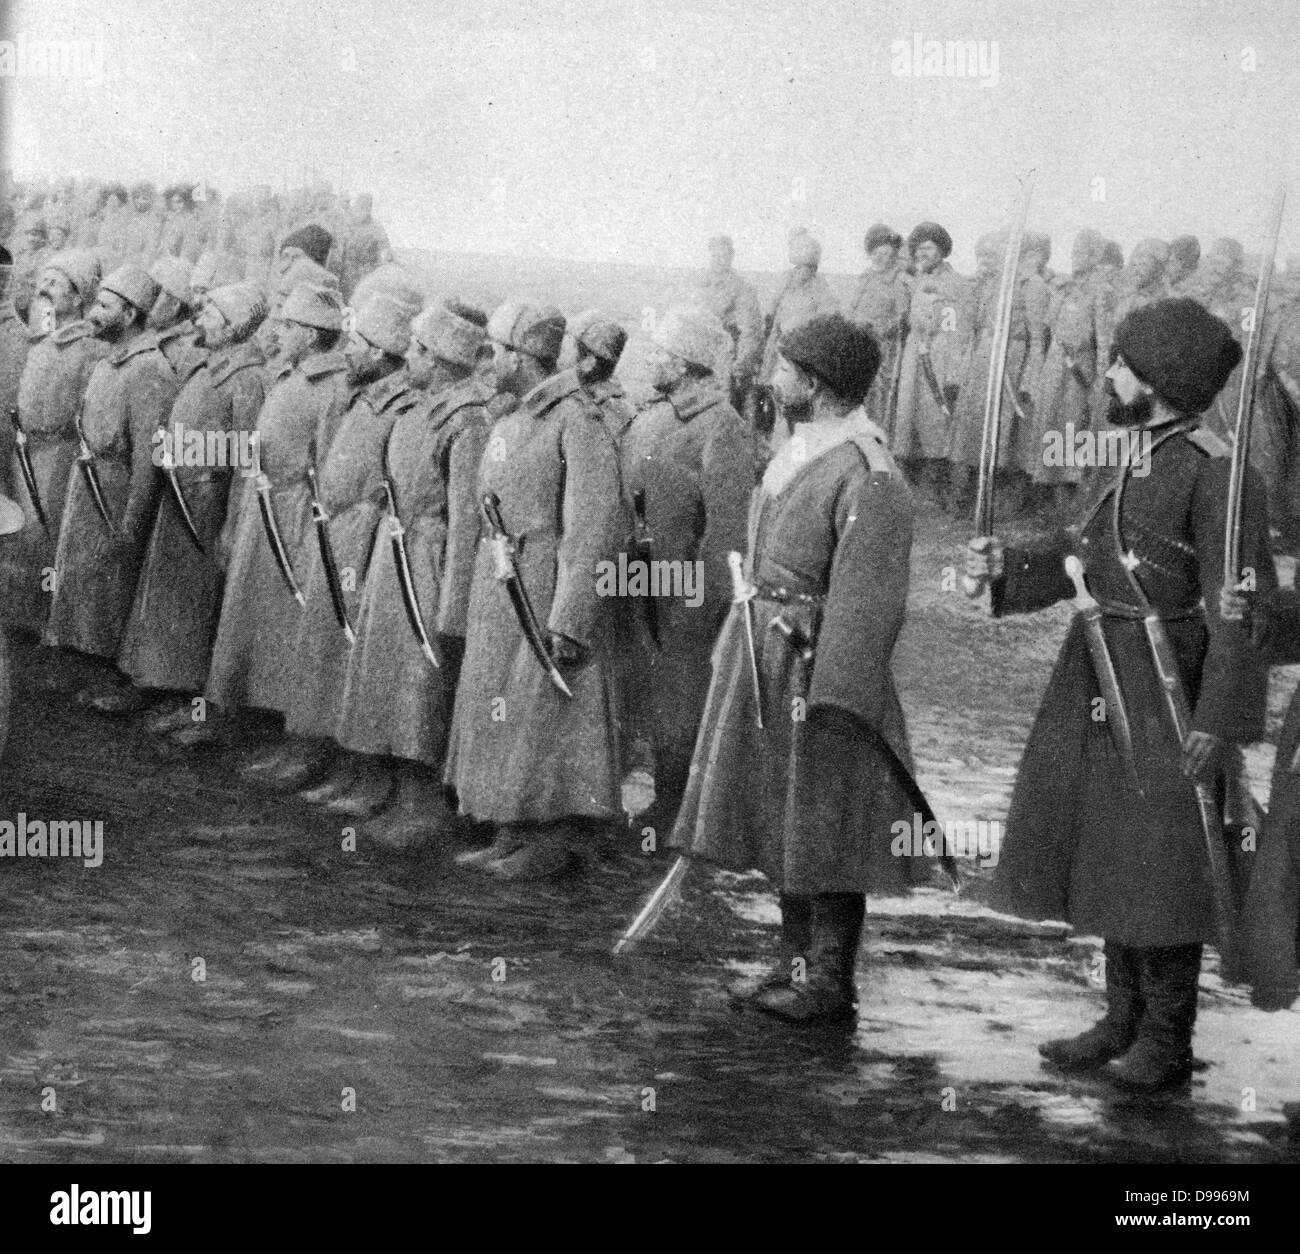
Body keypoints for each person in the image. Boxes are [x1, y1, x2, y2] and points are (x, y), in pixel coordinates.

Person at [964, 297, 1275, 1092]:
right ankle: (1121, 1017)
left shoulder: (1217, 473)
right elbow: (1081, 551)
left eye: (1122, 364)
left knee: (1166, 860)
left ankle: (1168, 1037)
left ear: (1158, 380)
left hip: (1169, 687)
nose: (1108, 374)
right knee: (1112, 848)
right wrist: (1008, 565)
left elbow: (1243, 607)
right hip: (1100, 671)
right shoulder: (1132, 452)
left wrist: (1222, 719)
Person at [671, 312, 933, 1023]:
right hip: (767, 654)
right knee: (784, 818)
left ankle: (828, 981)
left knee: (828, 825)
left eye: (784, 370)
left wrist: (838, 703)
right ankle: (794, 963)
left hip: (820, 674)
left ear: (814, 386)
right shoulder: (800, 449)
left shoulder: (869, 474)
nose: (770, 379)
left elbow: (868, 604)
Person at [446, 302, 624, 880]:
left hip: (546, 587)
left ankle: (553, 837)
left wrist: (571, 616)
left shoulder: (578, 422)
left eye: (497, 350)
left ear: (524, 358)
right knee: (502, 708)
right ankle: (510, 826)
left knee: (543, 711)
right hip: (502, 584)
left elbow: (593, 526)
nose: (489, 361)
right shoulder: (512, 418)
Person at [335, 299, 494, 849]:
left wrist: (453, 606)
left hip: (430, 561)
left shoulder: (468, 420)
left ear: (446, 359)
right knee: (389, 672)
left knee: (422, 681)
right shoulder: (422, 406)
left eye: (422, 351)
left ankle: (425, 802)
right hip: (396, 550)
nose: (412, 359)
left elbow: (467, 519)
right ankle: (390, 785)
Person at [204, 282, 350, 780]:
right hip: (261, 511)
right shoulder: (287, 378)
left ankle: (296, 741)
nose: (278, 333)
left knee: (290, 629)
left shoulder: (333, 389)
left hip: (294, 520)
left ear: (310, 335)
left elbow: (329, 468)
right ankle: (230, 716)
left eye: (287, 326)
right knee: (248, 621)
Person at [278, 293, 417, 813]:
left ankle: (362, 772)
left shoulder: (402, 405)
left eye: (358, 343)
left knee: (353, 655)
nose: (349, 351)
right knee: (323, 647)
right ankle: (324, 755)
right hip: (334, 531)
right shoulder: (362, 394)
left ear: (382, 352)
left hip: (363, 539)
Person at [623, 305, 753, 836]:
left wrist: (698, 603)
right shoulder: (651, 415)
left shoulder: (722, 427)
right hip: (634, 579)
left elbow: (725, 533)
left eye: (661, 354)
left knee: (680, 699)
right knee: (636, 689)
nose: (651, 360)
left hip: (682, 594)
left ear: (686, 364)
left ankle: (677, 808)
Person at [121, 282, 269, 732]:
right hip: (179, 500)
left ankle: (194, 704)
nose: (200, 319)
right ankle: (155, 683)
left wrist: (230, 523)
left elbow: (245, 458)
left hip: (206, 509)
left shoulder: (246, 378)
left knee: (197, 610)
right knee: (168, 601)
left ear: (233, 326)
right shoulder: (209, 365)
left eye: (211, 314)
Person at [43, 265, 176, 713]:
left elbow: (148, 459)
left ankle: (112, 676)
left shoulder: (150, 368)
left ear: (132, 313)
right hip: (89, 484)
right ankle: (80, 663)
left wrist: (132, 521)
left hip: (117, 492)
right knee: (82, 579)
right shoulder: (108, 360)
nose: (95, 314)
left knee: (113, 582)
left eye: (105, 305)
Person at [0, 252, 109, 642]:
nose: (43, 291)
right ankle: (21, 613)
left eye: (54, 284)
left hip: (60, 454)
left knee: (49, 530)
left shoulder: (92, 350)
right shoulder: (39, 340)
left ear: (78, 298)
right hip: (26, 451)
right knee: (23, 531)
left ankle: (50, 619)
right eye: (42, 282)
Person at [892, 221, 970, 505]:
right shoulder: (918, 281)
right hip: (915, 352)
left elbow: (954, 329)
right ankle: (911, 488)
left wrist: (952, 373)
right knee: (908, 418)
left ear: (942, 250)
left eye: (929, 247)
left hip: (939, 355)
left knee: (937, 419)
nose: (923, 253)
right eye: (919, 248)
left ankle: (939, 489)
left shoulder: (954, 284)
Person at [846, 224, 911, 436]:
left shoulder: (899, 281)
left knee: (880, 395)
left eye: (885, 253)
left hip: (884, 349)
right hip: (858, 346)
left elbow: (903, 316)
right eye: (876, 253)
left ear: (894, 255)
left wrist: (881, 329)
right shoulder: (865, 279)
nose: (879, 258)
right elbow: (851, 309)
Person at [696, 235, 763, 416]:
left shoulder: (742, 288)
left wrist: (740, 368)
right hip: (701, 359)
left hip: (725, 363)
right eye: (715, 256)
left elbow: (750, 331)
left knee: (723, 411)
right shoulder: (702, 284)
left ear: (731, 256)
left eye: (723, 256)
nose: (718, 261)